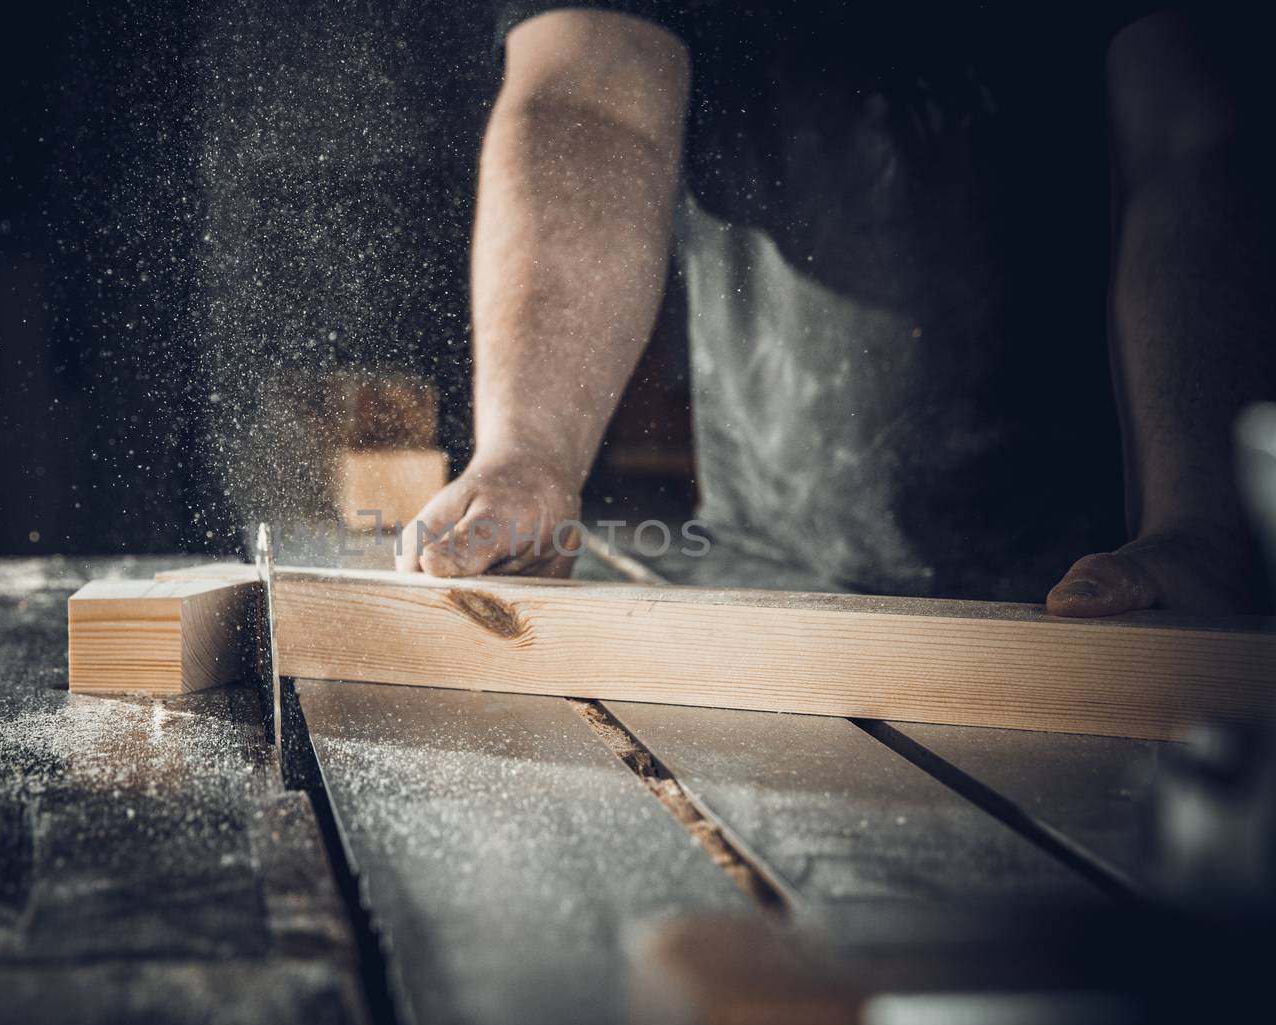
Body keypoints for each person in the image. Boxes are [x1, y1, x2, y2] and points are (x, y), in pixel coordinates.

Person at [394, 2, 1273, 615]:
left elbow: (1198, 137)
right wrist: (529, 448)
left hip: (1110, 581)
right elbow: (592, 97)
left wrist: (1204, 524)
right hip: (762, 571)